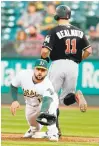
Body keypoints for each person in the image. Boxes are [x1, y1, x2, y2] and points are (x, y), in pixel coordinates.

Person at [41, 5, 92, 137]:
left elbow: (45, 51)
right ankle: (76, 96)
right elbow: (89, 51)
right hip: (74, 65)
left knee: (51, 97)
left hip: (58, 63)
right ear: (69, 16)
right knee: (66, 99)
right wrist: (79, 59)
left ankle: (54, 131)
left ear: (57, 16)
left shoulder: (53, 31)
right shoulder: (79, 31)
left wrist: (43, 59)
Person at [10, 59, 59, 141]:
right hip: (30, 105)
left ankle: (53, 132)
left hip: (44, 103)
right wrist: (15, 100)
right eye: (38, 69)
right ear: (34, 69)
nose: (40, 72)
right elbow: (13, 85)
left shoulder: (47, 84)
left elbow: (47, 100)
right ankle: (33, 131)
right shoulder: (23, 75)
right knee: (34, 127)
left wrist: (43, 112)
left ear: (46, 72)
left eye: (43, 70)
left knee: (51, 106)